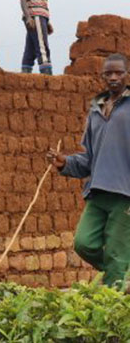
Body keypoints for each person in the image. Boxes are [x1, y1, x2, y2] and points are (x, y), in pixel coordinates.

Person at [47, 53, 130, 287]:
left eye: (119, 73)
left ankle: (115, 299)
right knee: (83, 243)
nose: (113, 78)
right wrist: (64, 163)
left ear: (127, 75)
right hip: (97, 190)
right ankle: (120, 275)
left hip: (125, 194)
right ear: (102, 76)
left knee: (116, 254)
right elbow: (89, 159)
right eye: (109, 73)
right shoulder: (96, 110)